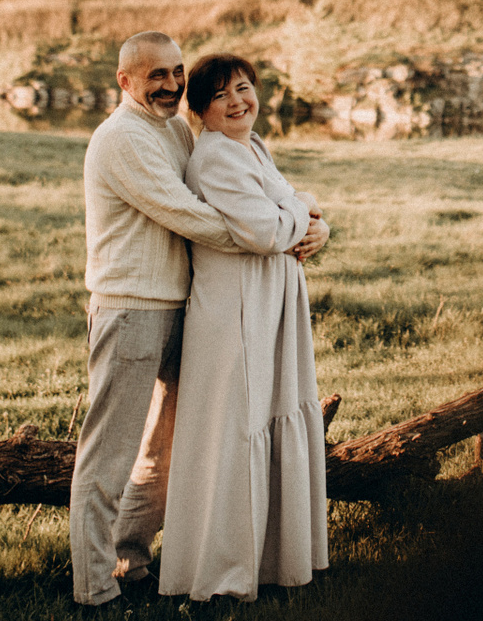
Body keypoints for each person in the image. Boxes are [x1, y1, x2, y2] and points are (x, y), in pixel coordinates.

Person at [70, 32, 306, 607]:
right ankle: (94, 588)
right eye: (157, 75)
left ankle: (130, 559)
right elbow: (191, 216)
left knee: (164, 451)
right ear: (125, 81)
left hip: (182, 306)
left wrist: (286, 223)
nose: (172, 84)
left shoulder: (176, 129)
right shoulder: (121, 138)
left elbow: (236, 194)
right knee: (109, 456)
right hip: (131, 310)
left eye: (177, 72)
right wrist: (277, 234)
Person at [158, 52, 331, 603]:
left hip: (268, 304)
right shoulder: (214, 158)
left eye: (242, 88)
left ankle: (273, 559)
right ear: (200, 112)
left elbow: (289, 209)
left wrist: (315, 223)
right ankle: (223, 573)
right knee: (238, 429)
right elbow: (265, 232)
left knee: (269, 414)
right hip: (235, 310)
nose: (236, 102)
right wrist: (308, 212)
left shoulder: (251, 145)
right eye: (219, 96)